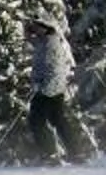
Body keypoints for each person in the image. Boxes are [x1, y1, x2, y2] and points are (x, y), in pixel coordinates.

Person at [22, 17, 94, 165]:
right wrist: (28, 33)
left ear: (46, 28)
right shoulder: (45, 42)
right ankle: (75, 152)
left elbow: (54, 70)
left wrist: (41, 86)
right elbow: (34, 43)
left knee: (37, 121)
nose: (34, 30)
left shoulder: (50, 45)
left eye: (37, 27)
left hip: (48, 90)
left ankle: (50, 154)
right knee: (58, 121)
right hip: (52, 89)